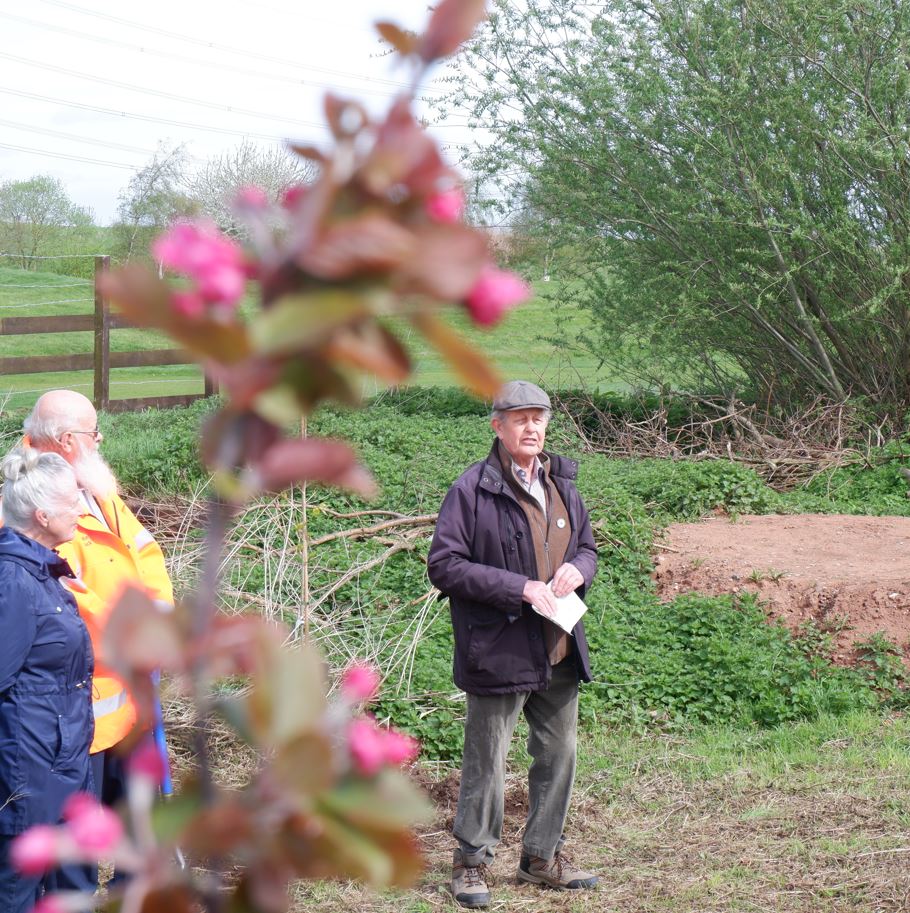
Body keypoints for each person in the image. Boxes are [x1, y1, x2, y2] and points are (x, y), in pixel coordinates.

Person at [427, 380, 599, 908]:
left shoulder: (563, 485)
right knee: (488, 759)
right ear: (497, 426)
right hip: (498, 650)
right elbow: (444, 565)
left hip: (558, 647)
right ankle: (472, 863)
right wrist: (517, 587)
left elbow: (589, 547)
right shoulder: (471, 490)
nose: (531, 427)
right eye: (519, 418)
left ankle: (540, 858)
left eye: (538, 418)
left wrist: (577, 569)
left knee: (559, 755)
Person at [22, 389, 174, 888]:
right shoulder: (29, 504)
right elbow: (63, 605)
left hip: (128, 700)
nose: (100, 439)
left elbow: (145, 556)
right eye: (93, 432)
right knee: (75, 849)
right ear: (68, 441)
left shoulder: (97, 489)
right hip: (75, 711)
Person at [0, 447, 94, 911]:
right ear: (42, 514)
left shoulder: (44, 571)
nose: (81, 508)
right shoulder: (14, 581)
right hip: (27, 775)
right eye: (73, 500)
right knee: (15, 892)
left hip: (60, 762)